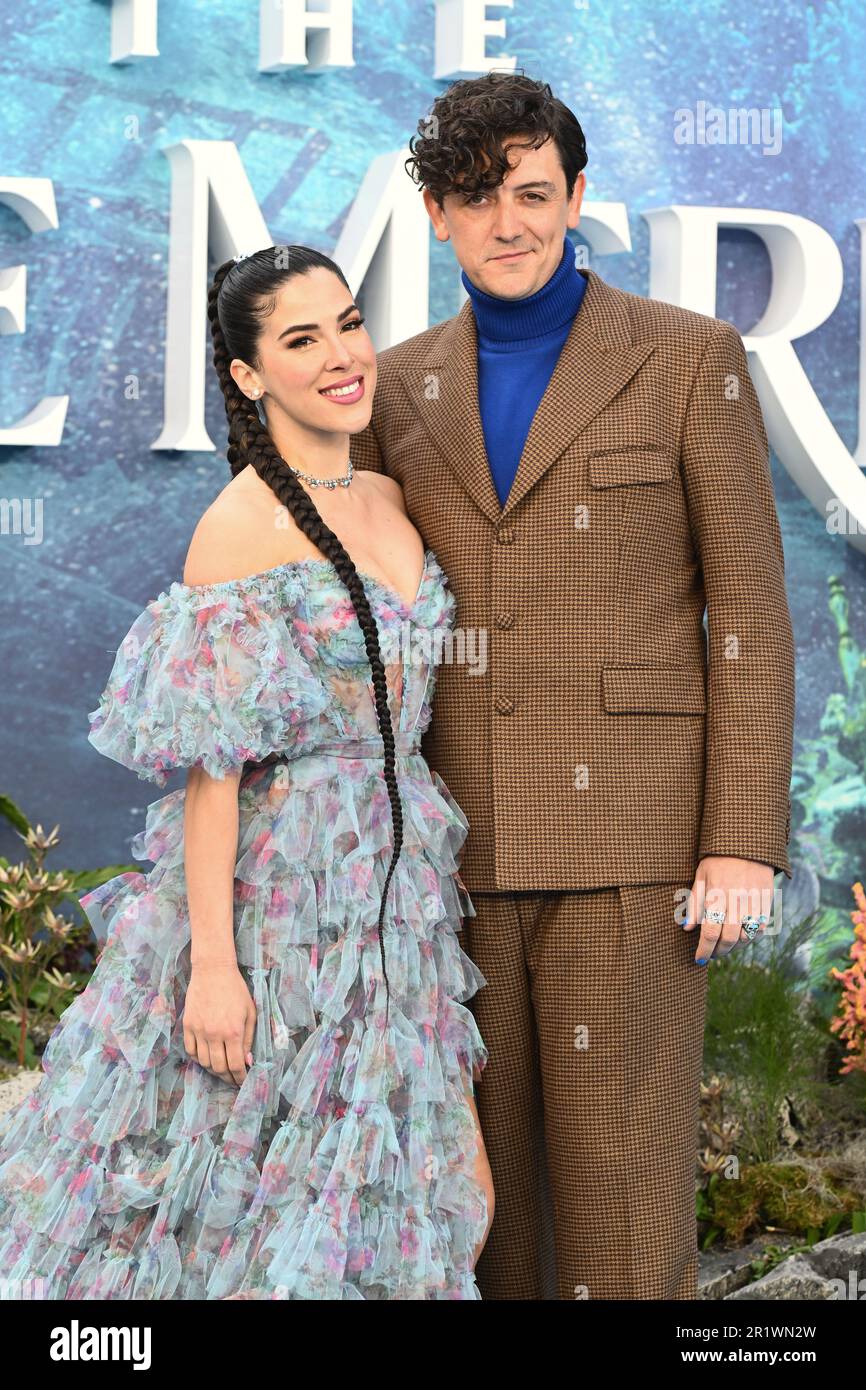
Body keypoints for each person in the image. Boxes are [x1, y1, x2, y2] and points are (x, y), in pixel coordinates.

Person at [349, 71, 795, 1300]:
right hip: (449, 856)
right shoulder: (391, 385)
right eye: (477, 196)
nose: (510, 222)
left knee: (620, 1224)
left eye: (533, 193)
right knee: (480, 1231)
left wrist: (739, 843)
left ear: (578, 197)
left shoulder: (684, 356)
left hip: (633, 848)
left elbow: (748, 611)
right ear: (436, 214)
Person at [0, 245, 495, 1300]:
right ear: (246, 373)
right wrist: (215, 969)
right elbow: (211, 778)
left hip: (396, 900)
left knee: (431, 1192)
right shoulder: (236, 529)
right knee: (259, 1198)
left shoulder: (388, 493)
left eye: (348, 324)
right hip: (279, 904)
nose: (341, 355)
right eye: (300, 339)